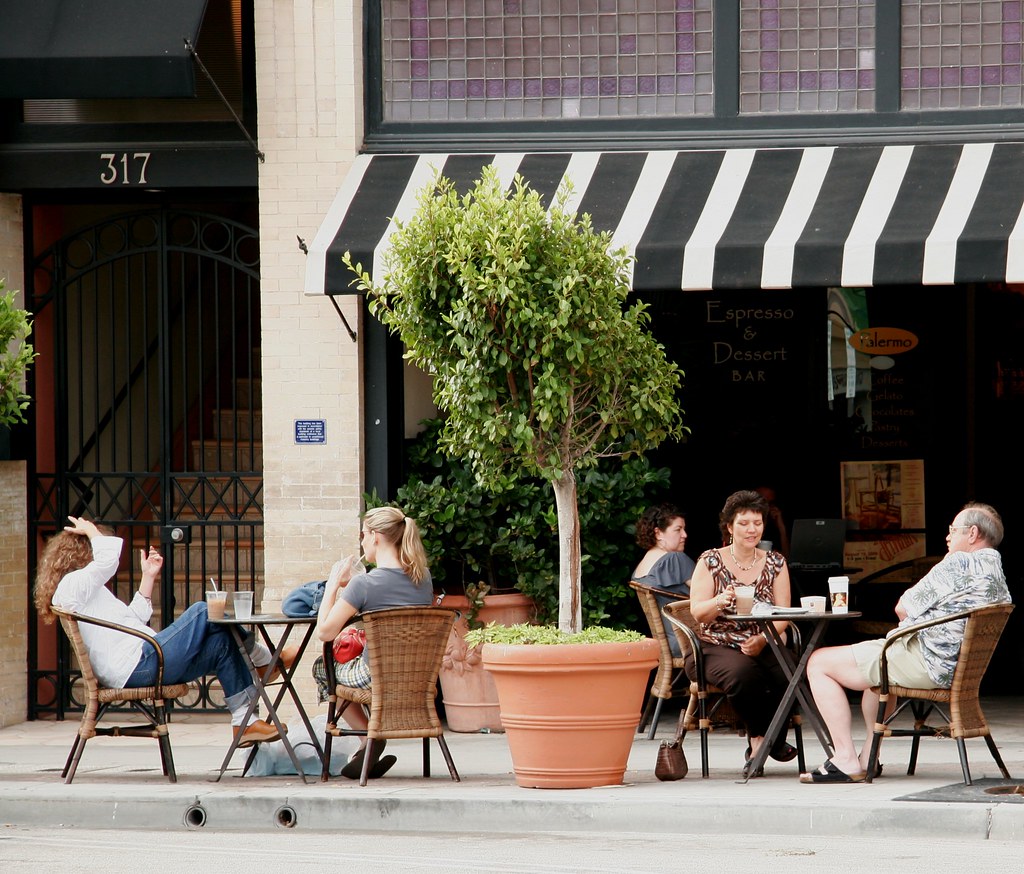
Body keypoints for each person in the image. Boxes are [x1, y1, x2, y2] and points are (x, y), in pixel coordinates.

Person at [35, 516, 295, 747]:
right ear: (84, 551)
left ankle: (245, 721)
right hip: (137, 666)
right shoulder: (71, 585)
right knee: (203, 611)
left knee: (222, 642)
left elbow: (132, 620)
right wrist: (91, 531)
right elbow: (107, 561)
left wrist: (148, 577)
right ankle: (264, 660)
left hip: (140, 663)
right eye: (95, 544)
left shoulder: (87, 592)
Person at [801, 502, 1011, 784]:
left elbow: (903, 607)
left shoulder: (958, 562)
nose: (948, 537)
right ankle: (868, 757)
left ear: (972, 533)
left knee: (819, 663)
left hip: (926, 661)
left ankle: (845, 759)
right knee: (873, 679)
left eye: (953, 530)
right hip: (955, 667)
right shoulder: (996, 570)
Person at [312, 505, 434, 779]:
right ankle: (371, 738)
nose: (362, 541)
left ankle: (368, 736)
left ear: (376, 536)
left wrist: (333, 584)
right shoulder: (423, 578)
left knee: (322, 667)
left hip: (374, 677)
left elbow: (325, 632)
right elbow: (389, 589)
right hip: (416, 677)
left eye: (364, 534)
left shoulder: (364, 585)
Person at [688, 489, 798, 776]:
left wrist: (763, 640)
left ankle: (771, 740)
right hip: (715, 644)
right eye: (744, 523)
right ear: (729, 527)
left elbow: (783, 614)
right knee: (743, 673)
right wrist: (719, 601)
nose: (752, 530)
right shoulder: (710, 560)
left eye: (758, 523)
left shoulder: (775, 562)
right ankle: (761, 739)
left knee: (794, 672)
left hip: (762, 640)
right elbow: (698, 612)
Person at [632, 503, 695, 657]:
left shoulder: (641, 567)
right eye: (678, 529)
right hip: (691, 641)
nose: (685, 535)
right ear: (658, 533)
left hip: (666, 645)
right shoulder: (675, 559)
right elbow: (708, 595)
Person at [755, 485, 790, 558]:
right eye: (763, 501)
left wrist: (781, 527)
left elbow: (786, 557)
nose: (766, 506)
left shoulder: (772, 523)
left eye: (770, 502)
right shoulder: (741, 521)